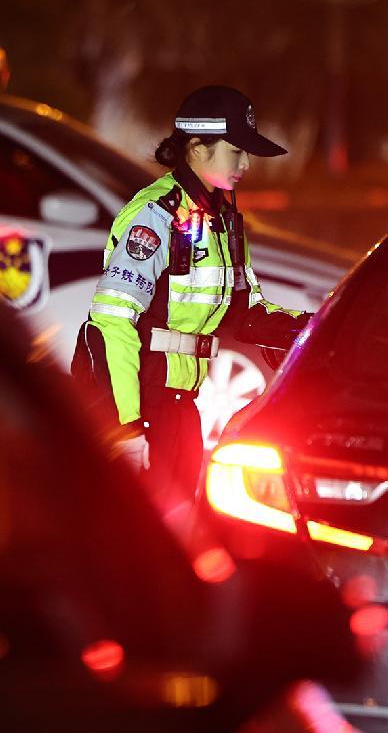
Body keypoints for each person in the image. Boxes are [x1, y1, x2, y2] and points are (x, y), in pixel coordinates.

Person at [72, 85, 311, 516]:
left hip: (180, 405)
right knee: (137, 533)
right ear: (197, 148)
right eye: (235, 151)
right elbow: (111, 322)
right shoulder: (155, 215)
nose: (245, 163)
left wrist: (317, 327)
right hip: (142, 403)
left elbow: (245, 313)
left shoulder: (223, 222)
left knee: (178, 525)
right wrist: (126, 428)